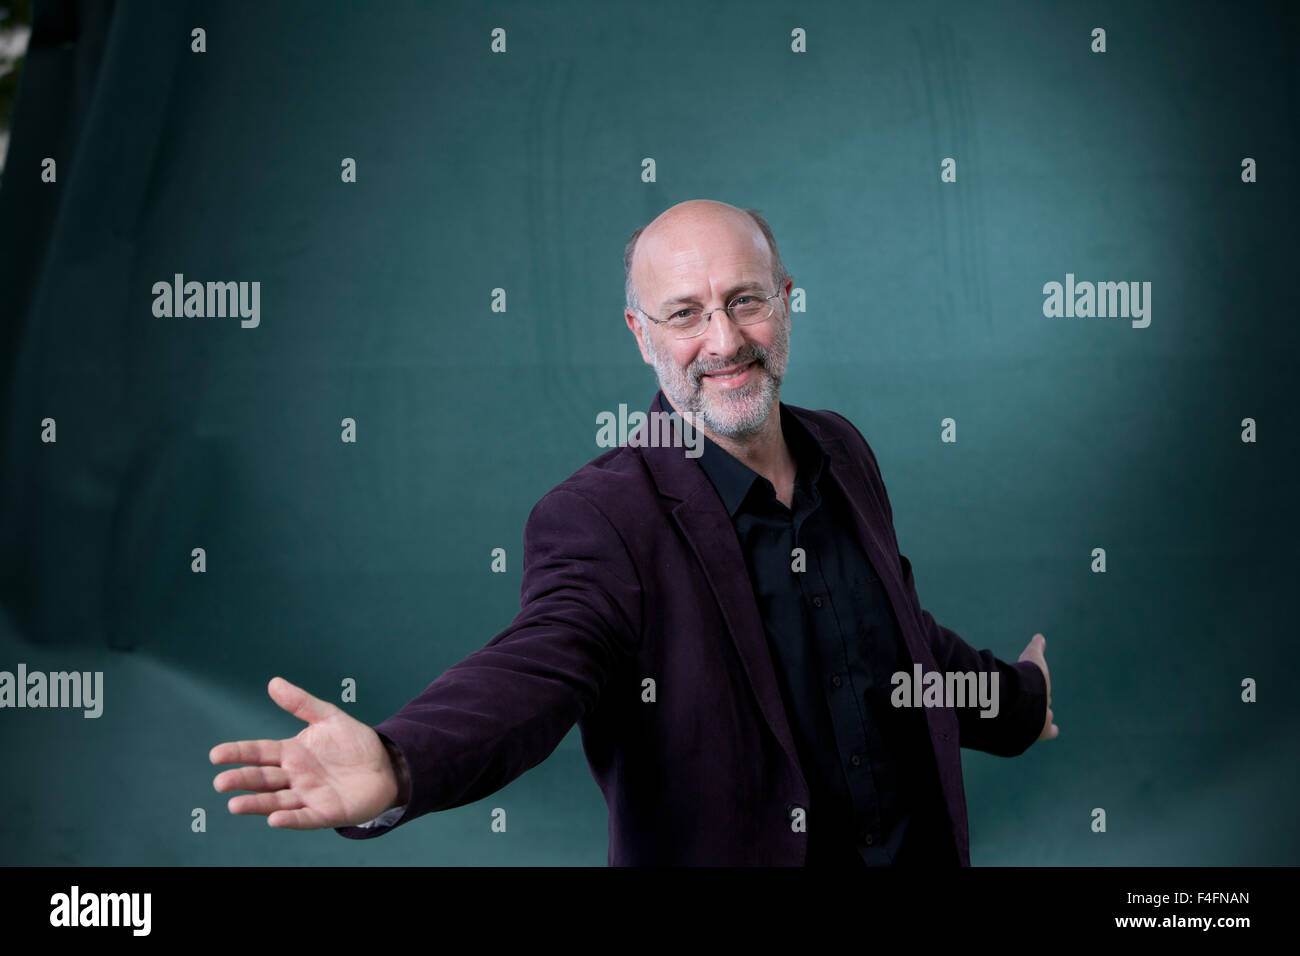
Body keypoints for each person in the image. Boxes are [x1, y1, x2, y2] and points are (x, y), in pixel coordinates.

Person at [209, 199, 1058, 866]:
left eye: (746, 301)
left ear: (787, 301)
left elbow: (900, 644)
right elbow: (536, 669)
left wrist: (1019, 701)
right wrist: (399, 765)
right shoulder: (602, 518)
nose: (724, 341)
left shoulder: (842, 448)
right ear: (639, 333)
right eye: (685, 313)